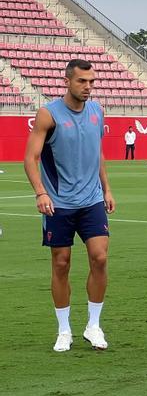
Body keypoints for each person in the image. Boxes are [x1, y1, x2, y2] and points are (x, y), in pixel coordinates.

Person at [23, 59, 115, 352]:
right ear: (67, 81)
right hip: (58, 204)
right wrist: (41, 193)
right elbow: (30, 159)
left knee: (99, 258)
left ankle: (93, 326)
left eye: (91, 82)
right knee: (61, 263)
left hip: (92, 201)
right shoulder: (48, 114)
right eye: (82, 82)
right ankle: (64, 330)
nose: (88, 87)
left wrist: (107, 188)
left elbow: (97, 152)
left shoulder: (97, 111)